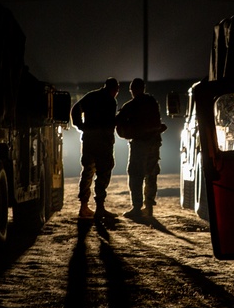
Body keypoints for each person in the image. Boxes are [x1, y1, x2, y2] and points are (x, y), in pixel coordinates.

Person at [115, 77, 168, 222]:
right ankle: (149, 206)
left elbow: (118, 121)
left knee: (135, 174)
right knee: (151, 174)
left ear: (132, 90)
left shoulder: (131, 105)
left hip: (140, 144)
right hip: (154, 142)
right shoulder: (152, 102)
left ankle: (137, 207)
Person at [70, 77, 121, 223]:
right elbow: (109, 122)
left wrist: (81, 126)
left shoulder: (91, 96)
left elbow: (75, 109)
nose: (117, 92)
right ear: (113, 89)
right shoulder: (111, 101)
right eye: (116, 89)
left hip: (90, 141)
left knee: (87, 172)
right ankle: (99, 207)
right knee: (103, 174)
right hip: (103, 143)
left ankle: (84, 206)